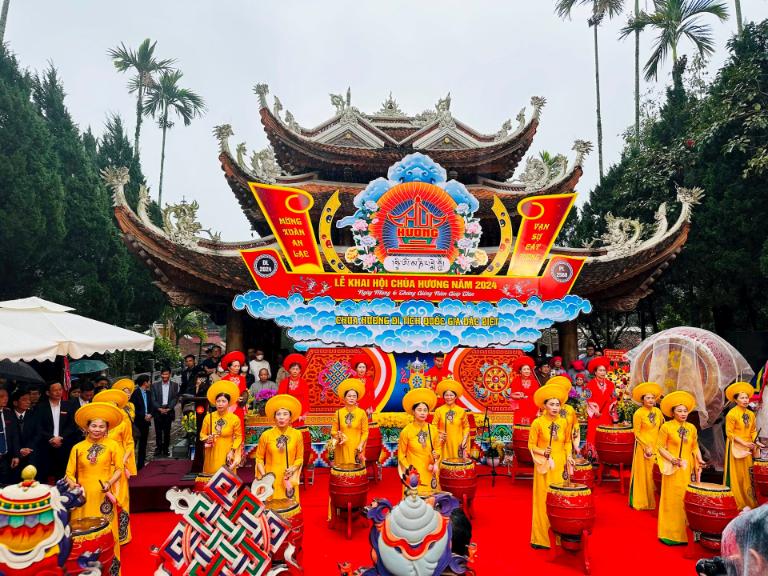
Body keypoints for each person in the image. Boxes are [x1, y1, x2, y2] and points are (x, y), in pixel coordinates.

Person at [65, 401, 124, 567]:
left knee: (106, 531)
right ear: (87, 427)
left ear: (107, 428)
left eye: (101, 426)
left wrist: (109, 483)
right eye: (94, 426)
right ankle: (81, 568)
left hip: (103, 494)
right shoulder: (77, 448)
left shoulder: (113, 445)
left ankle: (109, 566)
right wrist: (74, 486)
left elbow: (119, 469)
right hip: (82, 498)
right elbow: (68, 473)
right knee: (82, 532)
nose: (97, 430)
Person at [528, 384, 574, 549]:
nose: (555, 407)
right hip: (545, 464)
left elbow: (568, 441)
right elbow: (531, 445)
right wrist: (542, 451)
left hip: (561, 465)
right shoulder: (537, 423)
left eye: (557, 404)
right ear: (544, 406)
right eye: (552, 404)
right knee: (544, 499)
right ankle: (541, 539)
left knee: (560, 500)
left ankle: (561, 537)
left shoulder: (564, 422)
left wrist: (569, 456)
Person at [657, 390, 705, 546]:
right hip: (672, 468)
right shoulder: (666, 427)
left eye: (685, 411)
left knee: (686, 499)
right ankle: (670, 533)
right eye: (680, 411)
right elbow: (660, 447)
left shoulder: (691, 427)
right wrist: (672, 459)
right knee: (672, 499)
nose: (683, 413)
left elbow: (694, 446)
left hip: (687, 468)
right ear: (673, 412)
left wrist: (700, 458)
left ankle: (686, 533)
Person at [93, 388, 136, 545]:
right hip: (103, 465)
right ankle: (105, 533)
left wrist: (123, 460)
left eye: (114, 405)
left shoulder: (123, 424)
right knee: (104, 499)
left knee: (121, 498)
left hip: (119, 464)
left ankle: (123, 534)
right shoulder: (98, 426)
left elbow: (129, 443)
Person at [254, 394, 304, 502]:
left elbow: (299, 458)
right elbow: (259, 458)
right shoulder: (266, 435)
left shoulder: (297, 434)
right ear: (274, 417)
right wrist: (265, 476)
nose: (281, 417)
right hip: (270, 478)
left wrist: (293, 468)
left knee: (289, 508)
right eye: (278, 414)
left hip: (288, 477)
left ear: (290, 417)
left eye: (285, 414)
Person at [723, 381, 762, 510]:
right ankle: (737, 501)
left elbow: (753, 430)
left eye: (746, 397)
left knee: (748, 473)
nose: (745, 400)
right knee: (737, 474)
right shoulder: (732, 414)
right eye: (742, 398)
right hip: (736, 446)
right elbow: (729, 433)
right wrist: (743, 442)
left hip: (748, 446)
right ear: (736, 400)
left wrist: (755, 441)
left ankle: (748, 499)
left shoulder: (751, 414)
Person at [397, 388, 442, 496]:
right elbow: (401, 455)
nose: (422, 413)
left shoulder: (433, 429)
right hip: (414, 472)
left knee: (430, 502)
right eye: (419, 410)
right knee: (413, 504)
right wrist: (409, 470)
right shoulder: (406, 431)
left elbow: (438, 448)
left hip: (429, 470)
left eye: (425, 410)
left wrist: (437, 459)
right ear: (413, 412)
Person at [628, 381, 664, 511]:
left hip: (656, 445)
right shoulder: (639, 413)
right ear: (642, 400)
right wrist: (645, 446)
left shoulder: (658, 412)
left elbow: (662, 428)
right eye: (648, 398)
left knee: (653, 473)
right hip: (644, 446)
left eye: (653, 397)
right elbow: (636, 432)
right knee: (643, 473)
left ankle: (654, 501)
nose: (651, 400)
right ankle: (642, 501)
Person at [33, 381, 75, 482]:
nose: (58, 392)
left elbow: (72, 425)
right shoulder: (40, 407)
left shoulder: (69, 405)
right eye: (55, 390)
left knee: (62, 475)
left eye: (60, 389)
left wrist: (61, 437)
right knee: (43, 474)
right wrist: (51, 438)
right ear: (48, 393)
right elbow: (38, 426)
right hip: (45, 445)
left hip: (63, 445)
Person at [200, 380, 243, 475]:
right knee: (211, 477)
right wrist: (207, 438)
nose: (220, 404)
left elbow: (238, 437)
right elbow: (202, 434)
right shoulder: (209, 417)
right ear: (215, 403)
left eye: (223, 401)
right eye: (218, 401)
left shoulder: (234, 418)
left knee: (226, 479)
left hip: (227, 451)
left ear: (228, 403)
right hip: (212, 451)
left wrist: (233, 450)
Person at [330, 379, 369, 465]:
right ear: (344, 397)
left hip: (357, 447)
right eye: (349, 396)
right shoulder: (339, 413)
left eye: (354, 396)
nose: (352, 398)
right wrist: (340, 435)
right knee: (343, 473)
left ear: (357, 398)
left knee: (356, 473)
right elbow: (333, 431)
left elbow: (365, 432)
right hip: (342, 446)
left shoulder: (361, 413)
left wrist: (361, 444)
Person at [584, 357, 615, 457]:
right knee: (594, 434)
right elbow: (587, 399)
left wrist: (612, 406)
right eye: (600, 370)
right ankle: (592, 455)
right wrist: (595, 410)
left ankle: (606, 454)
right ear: (595, 372)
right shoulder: (589, 385)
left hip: (606, 413)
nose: (603, 372)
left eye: (604, 370)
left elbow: (614, 398)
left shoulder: (611, 384)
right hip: (595, 415)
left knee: (606, 433)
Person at [433, 379, 470, 460]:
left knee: (456, 466)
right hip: (443, 443)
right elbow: (433, 426)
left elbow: (466, 427)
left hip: (457, 442)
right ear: (443, 396)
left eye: (451, 395)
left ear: (455, 396)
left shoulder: (461, 411)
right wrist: (439, 434)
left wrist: (464, 440)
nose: (449, 397)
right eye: (446, 395)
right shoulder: (439, 410)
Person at [546, 376, 580, 455]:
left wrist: (575, 444)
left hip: (568, 445)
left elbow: (576, 425)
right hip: (552, 447)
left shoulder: (570, 409)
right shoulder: (547, 409)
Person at [152, 367, 179, 458]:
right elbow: (153, 399)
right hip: (158, 411)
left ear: (170, 374)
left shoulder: (174, 385)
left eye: (166, 374)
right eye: (163, 374)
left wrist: (169, 408)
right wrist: (159, 409)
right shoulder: (155, 385)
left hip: (169, 411)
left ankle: (166, 448)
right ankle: (159, 448)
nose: (164, 376)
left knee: (167, 431)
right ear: (161, 374)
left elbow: (175, 398)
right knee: (158, 432)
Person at [130, 374, 155, 470]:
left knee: (144, 444)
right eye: (148, 381)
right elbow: (133, 409)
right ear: (145, 382)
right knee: (134, 444)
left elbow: (152, 406)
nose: (149, 383)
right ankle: (132, 465)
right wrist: (143, 415)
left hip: (146, 422)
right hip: (137, 422)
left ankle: (141, 465)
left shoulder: (148, 393)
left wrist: (150, 414)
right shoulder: (135, 393)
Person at [277, 353, 310, 423]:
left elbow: (306, 400)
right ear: (289, 370)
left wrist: (303, 414)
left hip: (299, 413)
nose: (295, 371)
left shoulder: (304, 383)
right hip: (286, 412)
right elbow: (280, 398)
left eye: (297, 369)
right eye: (293, 369)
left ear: (300, 370)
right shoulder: (284, 383)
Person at [509, 356, 540, 426]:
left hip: (532, 406)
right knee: (519, 425)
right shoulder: (515, 381)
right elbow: (512, 395)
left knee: (531, 425)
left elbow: (537, 395)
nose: (527, 371)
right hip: (520, 406)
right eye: (524, 369)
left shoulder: (534, 381)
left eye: (528, 369)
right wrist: (518, 395)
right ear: (520, 371)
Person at [10, 388, 33, 480]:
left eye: (29, 399)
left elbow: (37, 434)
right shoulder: (8, 415)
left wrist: (28, 448)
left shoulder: (34, 414)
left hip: (30, 454)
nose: (28, 402)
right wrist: (18, 450)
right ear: (15, 403)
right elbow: (10, 437)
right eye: (24, 399)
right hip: (13, 456)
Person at [0, 388, 19, 485]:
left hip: (5, 458)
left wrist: (16, 455)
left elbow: (14, 436)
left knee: (5, 486)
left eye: (6, 396)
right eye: (2, 396)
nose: (5, 399)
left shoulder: (8, 413)